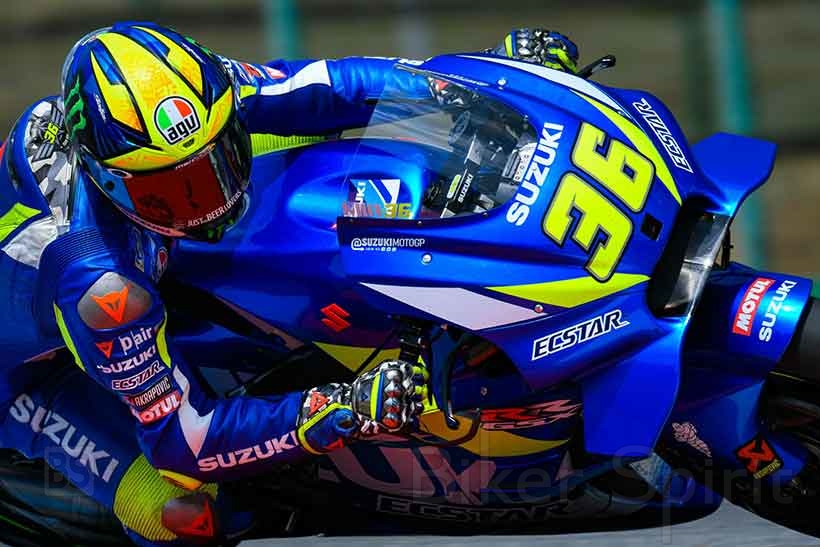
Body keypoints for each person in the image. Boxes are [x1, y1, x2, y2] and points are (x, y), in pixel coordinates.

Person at [0, 22, 579, 546]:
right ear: (107, 179)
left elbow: (328, 86)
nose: (210, 201)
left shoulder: (193, 97)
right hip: (30, 380)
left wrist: (475, 87)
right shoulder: (101, 285)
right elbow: (184, 443)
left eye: (215, 161)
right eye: (170, 192)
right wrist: (346, 406)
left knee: (296, 127)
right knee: (182, 516)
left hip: (143, 258)